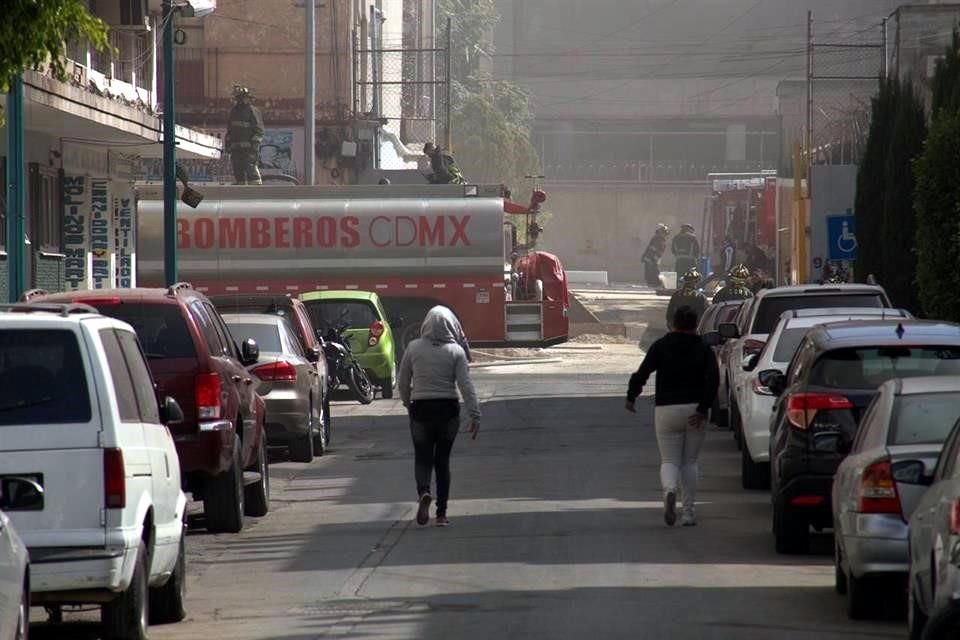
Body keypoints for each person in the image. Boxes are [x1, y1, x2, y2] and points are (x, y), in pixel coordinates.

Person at [625, 305, 719, 527]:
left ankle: (669, 490)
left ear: (673, 324)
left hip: (666, 410)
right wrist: (703, 408)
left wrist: (631, 397)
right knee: (690, 462)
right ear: (696, 325)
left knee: (669, 460)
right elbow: (712, 381)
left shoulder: (661, 346)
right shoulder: (704, 349)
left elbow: (642, 373)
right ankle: (688, 513)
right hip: (694, 410)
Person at [398, 306, 480, 527]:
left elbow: (403, 381)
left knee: (423, 457)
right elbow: (466, 385)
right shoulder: (456, 352)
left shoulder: (413, 348)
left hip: (421, 409)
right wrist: (475, 414)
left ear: (425, 325)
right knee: (442, 461)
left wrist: (407, 402)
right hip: (447, 410)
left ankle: (424, 491)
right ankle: (441, 514)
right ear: (451, 326)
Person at [224, 85, 265, 185]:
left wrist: (254, 147)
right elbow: (230, 130)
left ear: (248, 98)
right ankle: (240, 192)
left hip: (249, 149)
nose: (239, 101)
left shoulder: (253, 111)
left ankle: (255, 193)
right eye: (238, 98)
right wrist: (228, 144)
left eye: (241, 98)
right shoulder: (234, 111)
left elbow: (259, 131)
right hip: (236, 149)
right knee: (238, 171)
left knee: (251, 169)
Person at [641, 223, 670, 288]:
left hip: (651, 258)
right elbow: (653, 249)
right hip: (651, 258)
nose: (665, 235)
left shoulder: (658, 238)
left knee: (652, 271)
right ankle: (655, 283)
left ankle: (654, 283)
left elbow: (657, 249)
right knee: (652, 271)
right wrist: (655, 258)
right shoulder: (658, 239)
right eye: (664, 233)